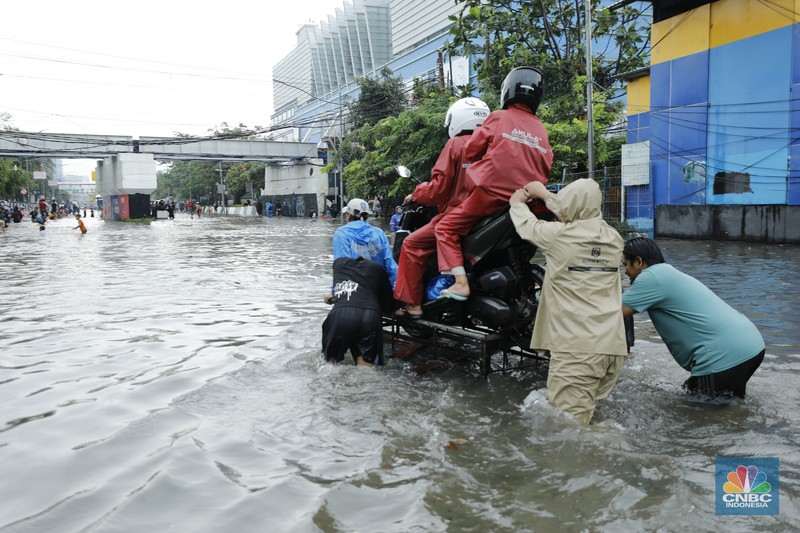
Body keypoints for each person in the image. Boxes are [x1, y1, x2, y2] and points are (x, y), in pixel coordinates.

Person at [509, 178, 628, 424]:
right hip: (611, 347)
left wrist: (520, 198)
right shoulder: (614, 239)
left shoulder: (559, 237)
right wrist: (547, 196)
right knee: (585, 415)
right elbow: (580, 214)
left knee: (570, 429)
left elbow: (525, 224)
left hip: (578, 351)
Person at [434, 67, 554, 300]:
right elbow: (548, 162)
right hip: (529, 199)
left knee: (445, 228)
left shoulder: (498, 117)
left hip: (491, 196)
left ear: (507, 91)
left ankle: (460, 282)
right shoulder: (540, 128)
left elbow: (471, 149)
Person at [621, 237, 765, 399]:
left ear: (639, 262)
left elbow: (613, 313)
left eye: (626, 264)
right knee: (711, 399)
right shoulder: (666, 273)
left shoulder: (650, 277)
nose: (626, 271)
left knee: (700, 415)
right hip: (751, 345)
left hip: (722, 355)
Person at [393, 97, 490, 318]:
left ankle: (412, 305)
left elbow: (438, 189)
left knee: (411, 244)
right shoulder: (492, 145)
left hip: (458, 213)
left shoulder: (456, 144)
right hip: (489, 213)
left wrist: (417, 193)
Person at [322, 256, 393, 366]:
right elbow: (387, 304)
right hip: (370, 316)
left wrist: (333, 297)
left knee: (331, 363)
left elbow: (343, 289)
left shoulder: (339, 265)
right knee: (365, 367)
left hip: (341, 315)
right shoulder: (379, 270)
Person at [333, 198, 397, 287]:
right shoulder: (379, 233)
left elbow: (342, 267)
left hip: (356, 292)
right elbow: (390, 266)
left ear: (348, 216)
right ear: (367, 216)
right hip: (378, 289)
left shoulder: (342, 233)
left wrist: (333, 290)